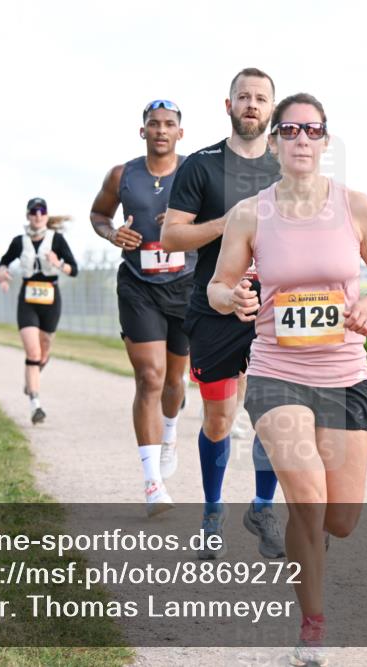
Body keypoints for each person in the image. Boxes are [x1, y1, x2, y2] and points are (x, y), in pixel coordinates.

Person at [209, 92, 367, 667]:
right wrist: (235, 296)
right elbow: (218, 288)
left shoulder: (356, 206)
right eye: (288, 130)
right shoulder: (250, 213)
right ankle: (312, 623)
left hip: (344, 374)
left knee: (339, 519)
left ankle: (307, 550)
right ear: (272, 142)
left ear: (325, 141)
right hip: (277, 373)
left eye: (311, 131)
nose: (299, 140)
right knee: (308, 500)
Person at [161, 67, 284, 560]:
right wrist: (229, 224)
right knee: (218, 419)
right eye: (243, 97)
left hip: (274, 308)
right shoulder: (202, 165)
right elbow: (172, 236)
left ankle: (262, 506)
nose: (252, 104)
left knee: (275, 415)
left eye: (261, 98)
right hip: (213, 307)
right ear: (228, 105)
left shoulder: (286, 168)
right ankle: (213, 510)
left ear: (271, 108)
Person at [90, 99, 193, 516]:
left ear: (180, 133)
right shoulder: (122, 174)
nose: (161, 130)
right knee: (149, 378)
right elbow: (99, 214)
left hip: (185, 286)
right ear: (143, 131)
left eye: (169, 124)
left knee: (175, 382)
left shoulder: (195, 172)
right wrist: (112, 234)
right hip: (138, 285)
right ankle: (153, 483)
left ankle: (169, 433)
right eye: (154, 124)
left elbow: (223, 220)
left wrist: (185, 225)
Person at [0, 198, 78, 425]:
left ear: (46, 215)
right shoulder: (19, 241)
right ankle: (35, 404)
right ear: (28, 215)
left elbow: (74, 270)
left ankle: (31, 380)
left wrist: (58, 263)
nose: (38, 215)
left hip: (51, 298)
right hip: (28, 299)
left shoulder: (57, 240)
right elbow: (2, 263)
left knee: (43, 352)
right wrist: (2, 274)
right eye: (33, 211)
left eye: (41, 211)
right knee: (32, 354)